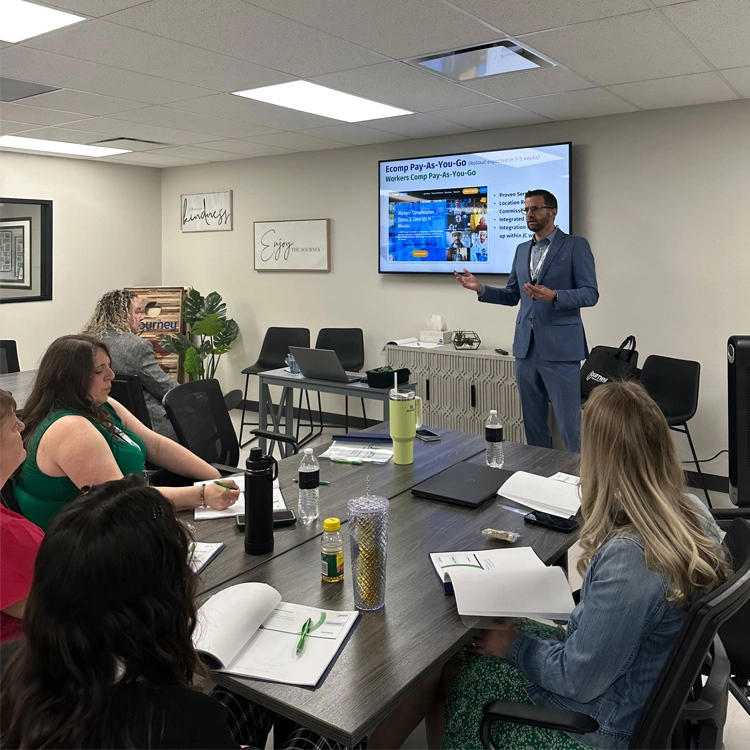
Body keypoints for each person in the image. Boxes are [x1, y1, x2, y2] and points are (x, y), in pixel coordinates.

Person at [430, 381, 730, 750]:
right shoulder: (694, 510)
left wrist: (512, 645)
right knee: (470, 645)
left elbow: (578, 681)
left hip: (600, 725)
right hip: (635, 691)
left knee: (459, 675)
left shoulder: (632, 558)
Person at [13, 334, 239, 529]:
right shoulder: (70, 428)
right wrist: (202, 495)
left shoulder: (100, 404)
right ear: (67, 379)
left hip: (129, 514)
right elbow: (122, 499)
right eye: (99, 371)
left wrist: (216, 476)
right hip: (82, 546)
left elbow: (156, 446)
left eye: (109, 366)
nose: (111, 375)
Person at [455, 189, 598, 452]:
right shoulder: (522, 250)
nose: (530, 214)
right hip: (525, 349)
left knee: (570, 425)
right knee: (533, 425)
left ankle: (583, 482)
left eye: (536, 208)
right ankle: (540, 478)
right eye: (526, 210)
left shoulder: (576, 245)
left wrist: (554, 295)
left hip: (560, 349)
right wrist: (480, 288)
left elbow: (590, 294)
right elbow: (512, 295)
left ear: (553, 212)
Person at [82, 289, 178, 439]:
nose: (142, 317)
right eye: (137, 311)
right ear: (122, 314)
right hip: (148, 427)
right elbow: (164, 388)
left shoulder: (83, 341)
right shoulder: (137, 347)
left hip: (101, 420)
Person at [0, 389, 44, 644]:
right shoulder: (6, 533)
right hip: (30, 666)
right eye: (11, 423)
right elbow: (56, 613)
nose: (22, 424)